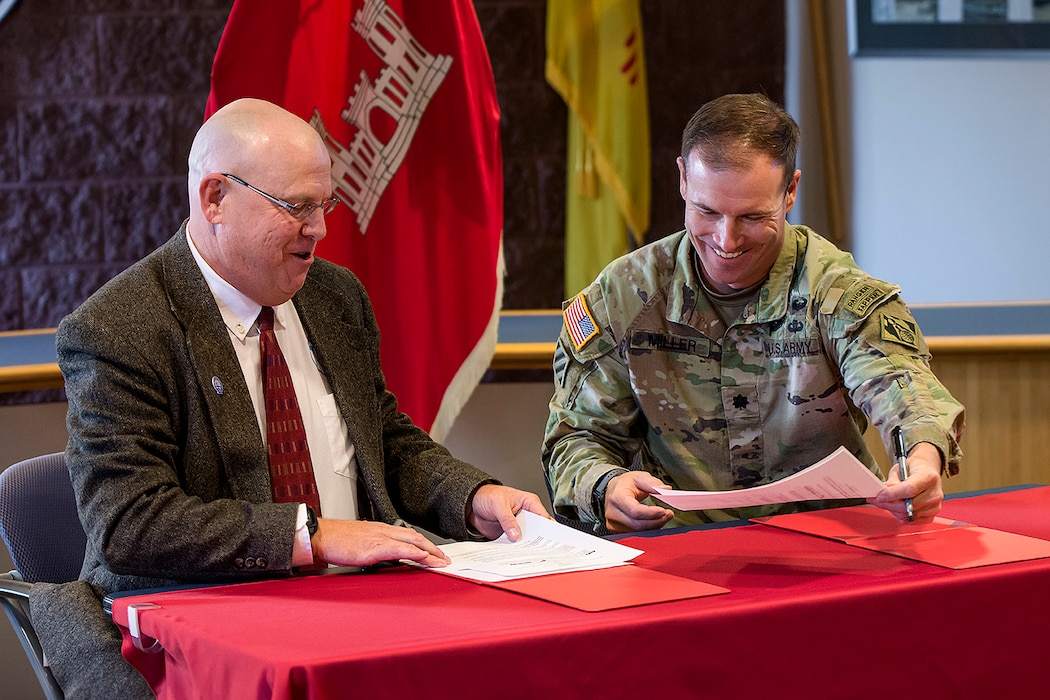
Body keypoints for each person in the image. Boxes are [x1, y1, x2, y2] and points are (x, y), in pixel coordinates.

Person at [30, 97, 548, 699]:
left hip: (366, 611)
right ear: (215, 199)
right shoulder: (120, 327)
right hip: (206, 628)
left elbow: (383, 440)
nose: (320, 229)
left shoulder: (334, 296)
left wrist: (473, 497)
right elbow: (131, 523)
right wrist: (313, 535)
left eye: (324, 204)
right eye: (296, 207)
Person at [542, 93, 964, 535]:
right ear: (683, 179)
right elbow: (576, 438)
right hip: (679, 542)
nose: (727, 240)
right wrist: (603, 486)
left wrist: (921, 458)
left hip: (833, 538)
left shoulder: (834, 290)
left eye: (752, 216)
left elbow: (903, 389)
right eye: (707, 211)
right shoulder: (625, 295)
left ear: (791, 192)